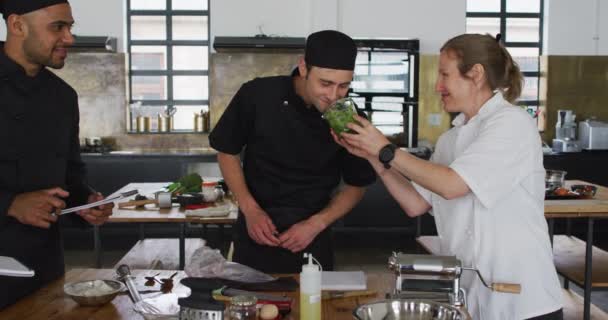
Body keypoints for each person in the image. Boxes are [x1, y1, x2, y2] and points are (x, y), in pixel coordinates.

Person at [334, 33, 563, 320]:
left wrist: (384, 147)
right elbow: (415, 203)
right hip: (473, 298)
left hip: (524, 303)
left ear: (476, 74)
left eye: (445, 74)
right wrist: (372, 155)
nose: (437, 86)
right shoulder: (450, 139)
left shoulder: (511, 123)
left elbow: (452, 185)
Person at [209, 30, 376, 273]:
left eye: (344, 86)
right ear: (303, 68)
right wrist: (250, 209)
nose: (333, 96)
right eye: (325, 83)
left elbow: (357, 185)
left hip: (313, 238)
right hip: (254, 231)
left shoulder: (349, 118)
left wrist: (316, 224)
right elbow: (227, 151)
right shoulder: (257, 95)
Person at [0, 0, 113, 309]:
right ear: (17, 25)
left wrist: (86, 202)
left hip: (45, 268)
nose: (70, 38)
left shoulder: (63, 97)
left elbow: (71, 176)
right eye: (57, 27)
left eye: (70, 27)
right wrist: (10, 204)